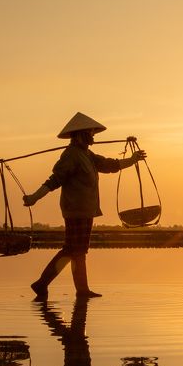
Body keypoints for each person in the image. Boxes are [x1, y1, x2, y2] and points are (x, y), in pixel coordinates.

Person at [22, 112, 145, 299]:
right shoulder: (71, 155)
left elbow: (110, 165)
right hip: (75, 210)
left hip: (85, 210)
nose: (93, 136)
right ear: (80, 134)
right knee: (73, 250)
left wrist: (133, 159)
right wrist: (34, 197)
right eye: (90, 133)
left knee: (77, 251)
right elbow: (55, 180)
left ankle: (76, 289)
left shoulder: (87, 154)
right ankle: (47, 284)